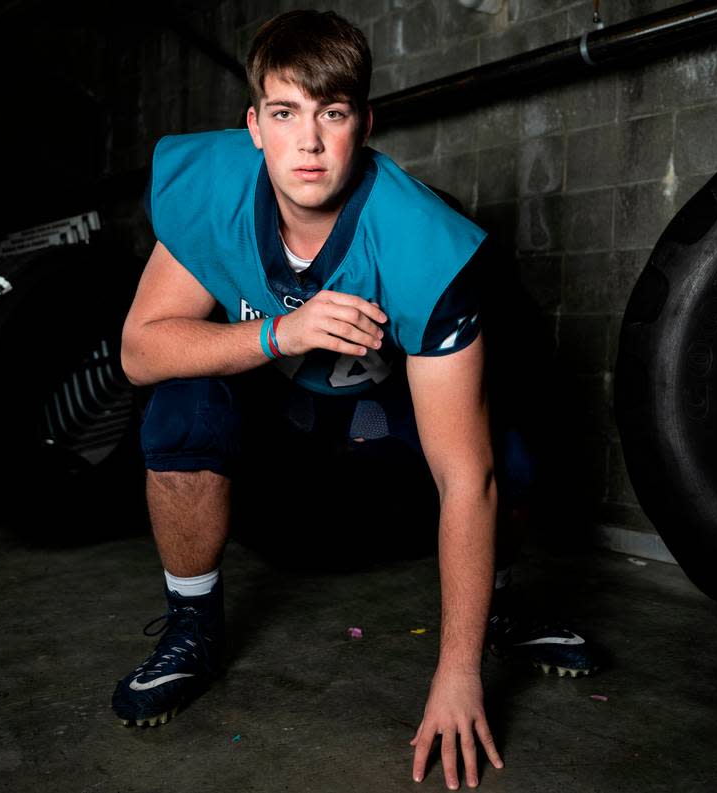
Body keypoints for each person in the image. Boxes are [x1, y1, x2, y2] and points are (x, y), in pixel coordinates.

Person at [111, 9, 600, 789]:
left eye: (331, 114)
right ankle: (193, 622)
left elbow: (462, 476)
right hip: (276, 431)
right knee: (181, 396)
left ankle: (496, 607)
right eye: (285, 113)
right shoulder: (214, 189)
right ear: (255, 126)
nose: (307, 142)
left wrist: (458, 672)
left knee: (505, 440)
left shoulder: (418, 241)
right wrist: (281, 333)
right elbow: (139, 350)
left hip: (382, 429)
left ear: (363, 124)